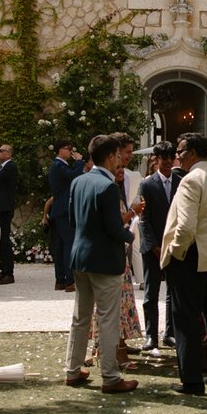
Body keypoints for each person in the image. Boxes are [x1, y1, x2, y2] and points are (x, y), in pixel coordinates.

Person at [161, 132, 207, 396]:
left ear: (192, 153)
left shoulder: (191, 180)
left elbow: (186, 226)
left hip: (192, 256)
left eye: (180, 152)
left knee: (186, 320)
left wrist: (176, 253)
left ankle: (191, 380)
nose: (176, 156)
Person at [62, 133, 136, 394]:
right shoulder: (106, 187)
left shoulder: (78, 182)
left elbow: (73, 220)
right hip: (105, 260)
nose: (120, 160)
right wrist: (131, 235)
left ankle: (72, 370)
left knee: (80, 317)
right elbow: (115, 229)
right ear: (111, 156)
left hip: (80, 257)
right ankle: (110, 377)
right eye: (118, 155)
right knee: (107, 319)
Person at [88, 157, 143, 371]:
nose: (121, 171)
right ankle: (116, 353)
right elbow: (113, 223)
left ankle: (103, 348)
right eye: (117, 167)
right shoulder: (108, 190)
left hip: (116, 256)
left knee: (112, 304)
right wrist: (134, 212)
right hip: (113, 256)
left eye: (123, 168)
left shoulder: (114, 190)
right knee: (115, 305)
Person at [136, 141, 175, 350]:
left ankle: (170, 333)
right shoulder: (147, 184)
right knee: (151, 293)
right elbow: (144, 219)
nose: (168, 161)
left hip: (175, 246)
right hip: (152, 248)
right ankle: (151, 335)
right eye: (164, 158)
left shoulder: (181, 180)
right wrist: (154, 246)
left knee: (173, 292)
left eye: (171, 157)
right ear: (156, 160)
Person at [47, 140, 86, 293]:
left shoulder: (59, 165)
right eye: (67, 148)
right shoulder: (59, 165)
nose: (70, 151)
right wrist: (79, 162)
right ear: (59, 150)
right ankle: (69, 280)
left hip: (59, 209)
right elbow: (73, 176)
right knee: (68, 244)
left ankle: (61, 280)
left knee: (61, 245)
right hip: (63, 210)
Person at [0, 142, 18, 285]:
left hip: (4, 208)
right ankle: (3, 269)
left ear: (9, 153)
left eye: (1, 151)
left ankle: (9, 272)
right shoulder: (3, 167)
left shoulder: (11, 166)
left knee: (4, 239)